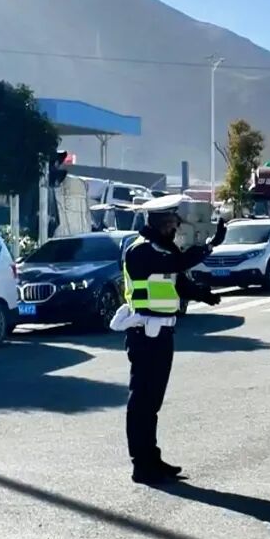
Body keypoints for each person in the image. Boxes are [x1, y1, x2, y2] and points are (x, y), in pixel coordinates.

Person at [117, 196, 225, 485]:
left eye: (176, 222)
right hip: (144, 332)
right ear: (157, 222)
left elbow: (179, 282)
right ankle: (141, 465)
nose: (176, 227)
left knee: (153, 401)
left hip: (163, 331)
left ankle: (152, 458)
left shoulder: (164, 249)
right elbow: (178, 263)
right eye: (171, 222)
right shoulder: (140, 250)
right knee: (141, 401)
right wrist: (210, 246)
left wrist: (203, 295)